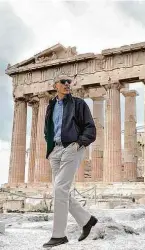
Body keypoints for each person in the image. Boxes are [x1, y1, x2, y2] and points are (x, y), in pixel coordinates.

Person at [43, 74, 98, 248]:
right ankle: (87, 220)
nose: (67, 84)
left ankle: (59, 235)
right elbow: (48, 129)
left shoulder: (79, 104)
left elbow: (90, 127)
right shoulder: (51, 106)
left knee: (60, 188)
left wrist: (79, 143)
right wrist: (50, 146)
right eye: (63, 82)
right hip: (55, 150)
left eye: (69, 82)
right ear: (55, 85)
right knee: (61, 191)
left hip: (71, 148)